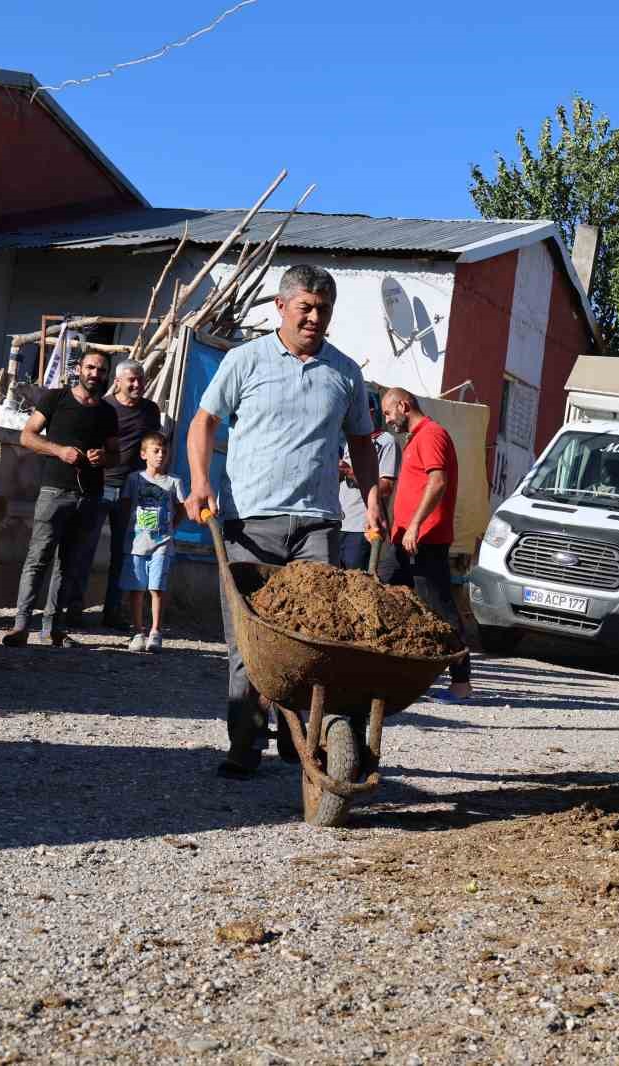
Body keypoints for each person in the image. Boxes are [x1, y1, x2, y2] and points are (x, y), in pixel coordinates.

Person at [185, 264, 384, 779]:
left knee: (313, 641)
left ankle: (302, 741)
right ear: (281, 306)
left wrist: (374, 499)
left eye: (324, 309)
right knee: (249, 640)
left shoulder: (344, 372)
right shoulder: (245, 361)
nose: (315, 317)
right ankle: (244, 745)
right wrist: (200, 480)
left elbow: (362, 442)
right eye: (307, 307)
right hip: (251, 522)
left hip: (318, 525)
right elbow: (204, 421)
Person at [3, 349, 119, 648]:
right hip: (54, 491)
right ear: (79, 368)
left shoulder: (108, 412)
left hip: (89, 496)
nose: (95, 374)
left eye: (102, 370)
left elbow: (116, 454)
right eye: (91, 367)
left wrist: (103, 457)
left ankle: (52, 628)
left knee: (68, 564)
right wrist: (59, 451)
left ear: (107, 375)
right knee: (38, 558)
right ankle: (21, 626)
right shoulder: (55, 399)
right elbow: (27, 436)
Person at [54, 359, 162, 631]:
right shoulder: (103, 407)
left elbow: (154, 447)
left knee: (125, 554)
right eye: (131, 379)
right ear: (117, 381)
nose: (137, 384)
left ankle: (112, 612)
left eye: (141, 379)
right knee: (84, 550)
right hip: (101, 486)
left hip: (134, 492)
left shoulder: (151, 411)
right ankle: (73, 609)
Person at [381, 387, 472, 702]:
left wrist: (416, 525)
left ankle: (461, 681)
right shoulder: (416, 438)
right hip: (404, 538)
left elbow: (438, 482)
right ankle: (391, 673)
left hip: (425, 539)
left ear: (404, 406)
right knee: (385, 595)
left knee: (439, 607)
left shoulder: (432, 434)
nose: (388, 420)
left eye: (389, 413)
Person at [120, 431, 184, 653]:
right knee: (136, 588)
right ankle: (137, 632)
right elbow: (126, 506)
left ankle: (156, 631)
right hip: (137, 543)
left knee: (157, 587)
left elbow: (182, 508)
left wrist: (171, 528)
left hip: (162, 544)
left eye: (164, 452)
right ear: (143, 454)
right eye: (155, 451)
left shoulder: (174, 482)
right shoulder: (134, 479)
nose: (160, 455)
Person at [337, 395, 397, 574]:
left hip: (361, 528)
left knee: (355, 582)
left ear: (370, 413)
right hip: (339, 524)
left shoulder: (386, 442)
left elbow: (386, 487)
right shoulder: (349, 443)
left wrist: (350, 471)